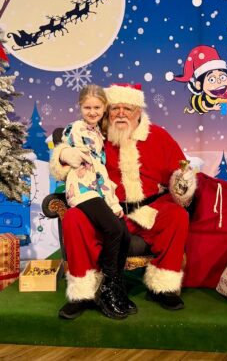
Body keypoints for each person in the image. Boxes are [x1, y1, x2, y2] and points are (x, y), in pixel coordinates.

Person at [50, 83, 196, 318]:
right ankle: (82, 294)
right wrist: (63, 154)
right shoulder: (95, 134)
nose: (120, 114)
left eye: (127, 108)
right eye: (115, 108)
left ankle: (163, 287)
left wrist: (184, 182)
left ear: (138, 111)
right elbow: (67, 151)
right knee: (74, 218)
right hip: (107, 210)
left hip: (148, 209)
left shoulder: (159, 136)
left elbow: (179, 174)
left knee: (177, 215)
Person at [58, 85, 133, 320]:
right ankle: (107, 288)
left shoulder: (98, 133)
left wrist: (113, 203)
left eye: (97, 107)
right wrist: (63, 153)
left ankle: (115, 285)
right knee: (113, 229)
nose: (92, 112)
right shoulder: (77, 129)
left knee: (123, 232)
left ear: (104, 108)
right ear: (80, 107)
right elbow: (77, 158)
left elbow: (102, 173)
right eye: (87, 107)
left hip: (95, 190)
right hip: (82, 191)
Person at [174, 45, 227, 114]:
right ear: (199, 85)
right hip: (198, 104)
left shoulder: (221, 96)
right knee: (196, 110)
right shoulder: (206, 98)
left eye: (222, 77)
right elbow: (204, 105)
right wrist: (213, 108)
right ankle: (192, 110)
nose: (219, 82)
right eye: (212, 80)